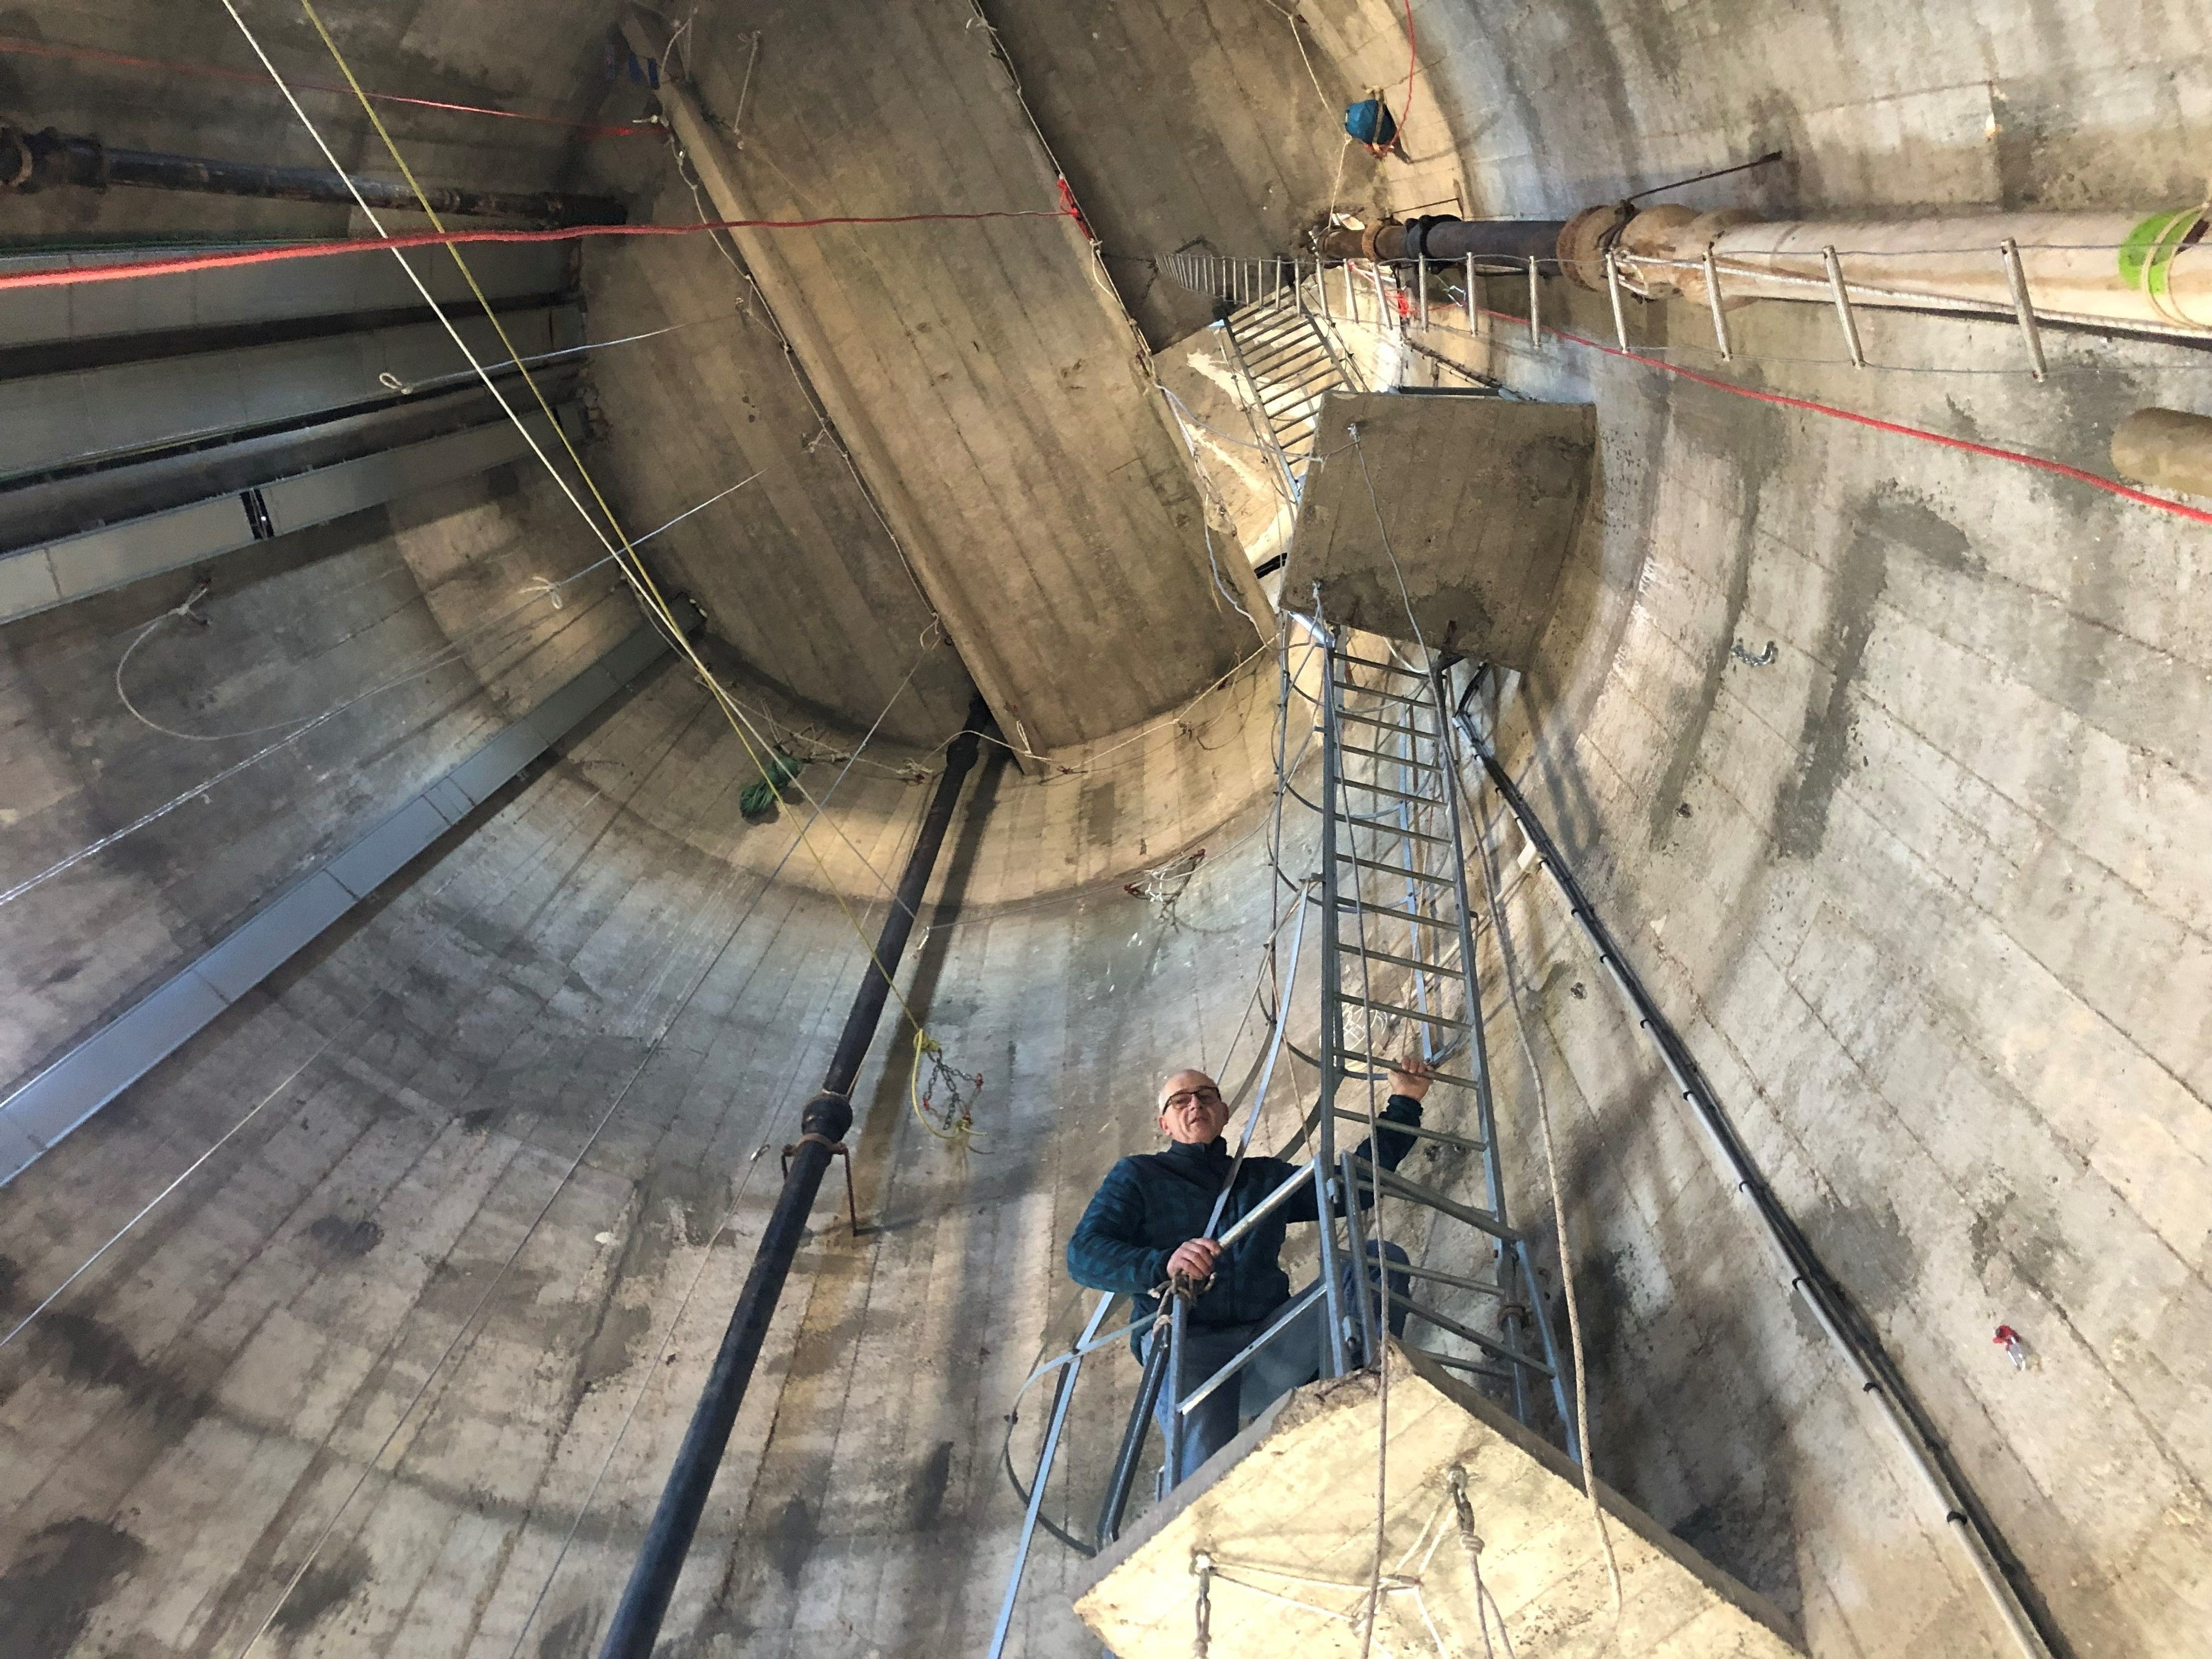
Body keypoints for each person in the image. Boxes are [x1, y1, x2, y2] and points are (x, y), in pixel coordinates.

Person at [1065, 1057, 1430, 1485]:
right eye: (1180, 1101)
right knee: (1205, 1482)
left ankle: (1363, 1406)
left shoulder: (1262, 1178)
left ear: (1222, 1112)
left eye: (1205, 1097)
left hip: (1269, 1344)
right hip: (1190, 1343)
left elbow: (1352, 1188)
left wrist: (1404, 1103)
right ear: (1165, 1124)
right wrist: (1162, 1264)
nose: (1194, 1105)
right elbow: (1083, 1254)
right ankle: (1195, 1522)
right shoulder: (1138, 1176)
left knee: (1376, 1258)